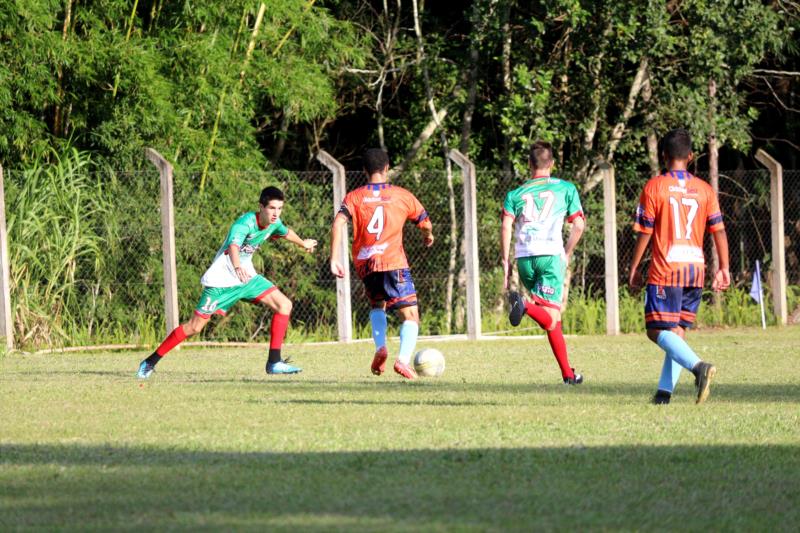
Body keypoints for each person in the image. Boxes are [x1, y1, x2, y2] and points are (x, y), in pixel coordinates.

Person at [137, 186, 318, 379]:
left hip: (246, 278)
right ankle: (149, 362)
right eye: (272, 208)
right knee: (195, 327)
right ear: (261, 207)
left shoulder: (274, 222)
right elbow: (233, 246)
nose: (276, 213)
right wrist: (237, 266)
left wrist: (303, 243)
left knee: (284, 305)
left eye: (280, 208)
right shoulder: (244, 223)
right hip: (221, 281)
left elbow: (286, 232)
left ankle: (274, 362)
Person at [629, 128, 730, 404]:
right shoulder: (705, 189)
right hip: (695, 270)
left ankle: (699, 367)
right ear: (691, 156)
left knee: (656, 331)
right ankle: (663, 394)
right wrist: (724, 267)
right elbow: (719, 230)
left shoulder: (655, 187)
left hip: (666, 271)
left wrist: (634, 267)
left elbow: (646, 232)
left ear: (664, 156)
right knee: (676, 334)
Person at [330, 148, 434, 380]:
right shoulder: (401, 195)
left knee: (378, 304)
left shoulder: (354, 197)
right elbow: (424, 222)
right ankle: (403, 361)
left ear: (364, 170)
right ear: (387, 168)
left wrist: (335, 258)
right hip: (393, 262)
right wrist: (428, 235)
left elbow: (338, 223)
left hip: (366, 265)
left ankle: (380, 347)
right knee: (411, 316)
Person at [502, 140, 586, 385]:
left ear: (530, 164)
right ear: (552, 164)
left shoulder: (515, 194)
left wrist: (505, 261)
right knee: (549, 316)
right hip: (549, 256)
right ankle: (525, 306)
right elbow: (579, 225)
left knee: (553, 320)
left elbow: (506, 225)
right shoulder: (566, 188)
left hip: (524, 258)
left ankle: (568, 375)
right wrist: (567, 252)